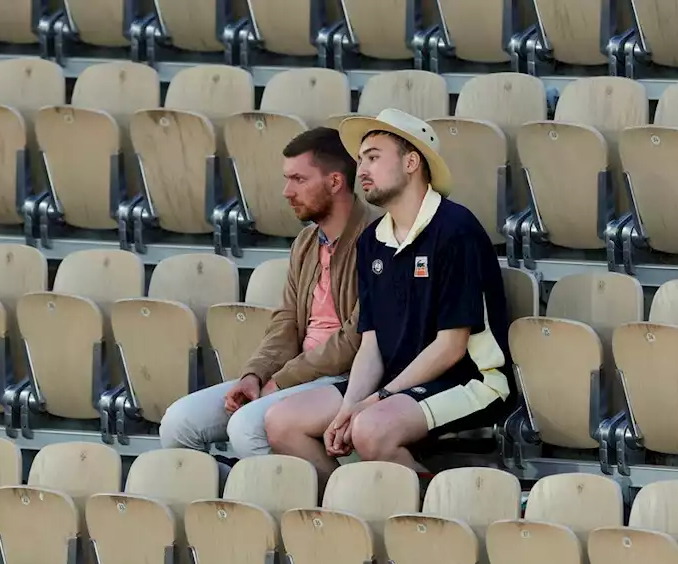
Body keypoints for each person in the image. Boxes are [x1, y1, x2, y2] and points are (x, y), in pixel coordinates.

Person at [263, 109, 513, 480]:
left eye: (374, 157)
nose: (361, 169)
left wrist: (376, 400)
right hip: (395, 384)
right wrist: (349, 406)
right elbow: (371, 345)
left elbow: (451, 347)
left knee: (371, 429)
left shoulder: (456, 230)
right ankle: (347, 511)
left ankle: (431, 512)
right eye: (360, 159)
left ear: (411, 162)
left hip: (471, 381)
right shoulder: (372, 241)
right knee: (281, 421)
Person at [158, 127, 375, 458]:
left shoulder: (377, 240)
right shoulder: (305, 242)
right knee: (178, 423)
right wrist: (253, 374)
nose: (287, 191)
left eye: (299, 180)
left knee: (246, 427)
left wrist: (283, 379)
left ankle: (295, 502)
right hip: (296, 373)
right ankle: (235, 497)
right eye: (287, 179)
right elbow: (285, 321)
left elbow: (354, 338)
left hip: (346, 379)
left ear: (334, 182)